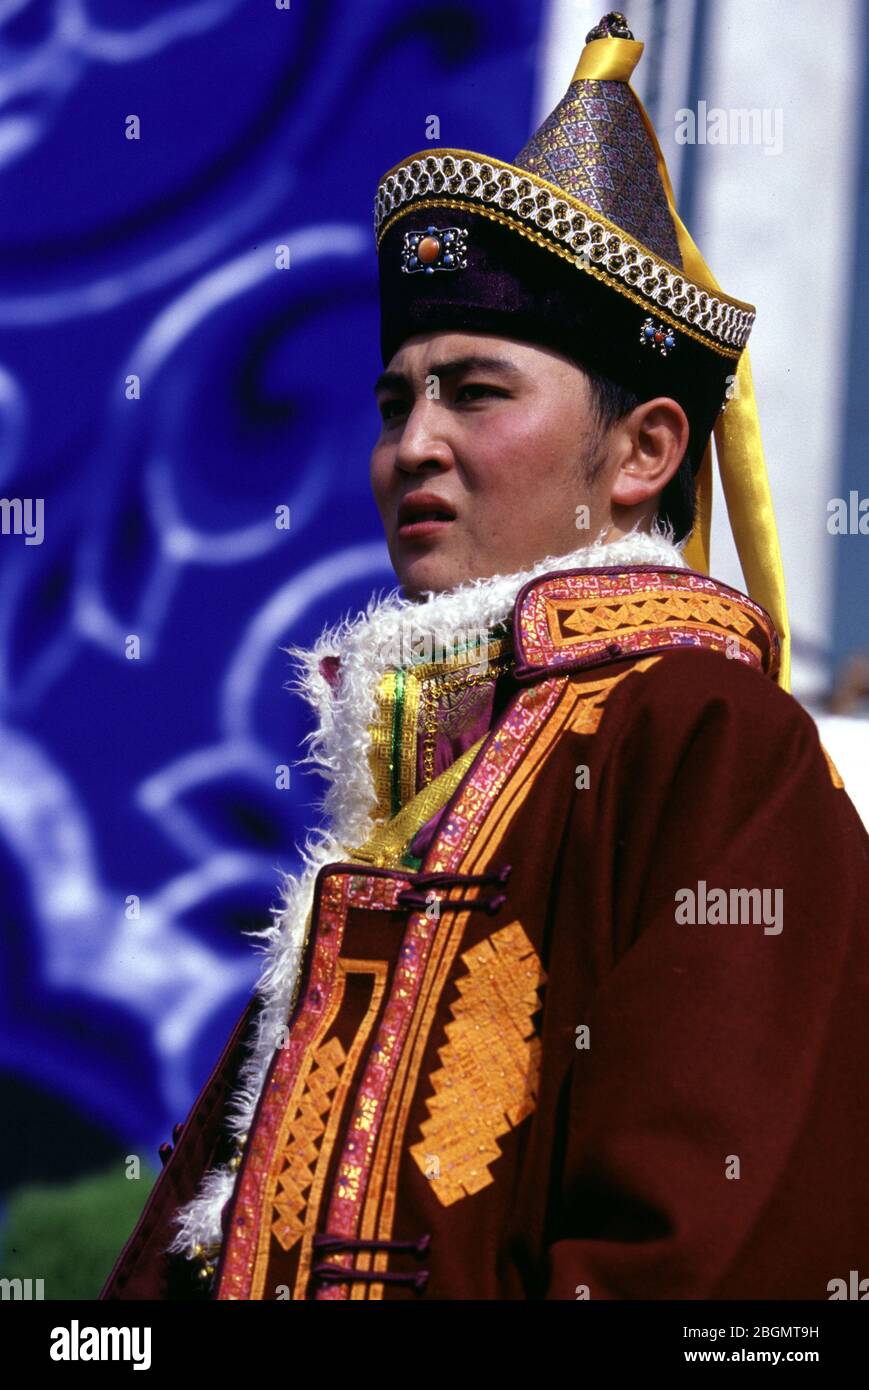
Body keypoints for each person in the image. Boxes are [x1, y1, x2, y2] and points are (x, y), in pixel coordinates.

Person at [101, 12, 869, 1301]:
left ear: (645, 454)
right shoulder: (423, 778)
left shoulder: (707, 741)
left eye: (478, 391)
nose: (413, 445)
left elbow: (722, 1264)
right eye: (397, 400)